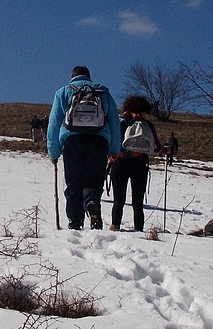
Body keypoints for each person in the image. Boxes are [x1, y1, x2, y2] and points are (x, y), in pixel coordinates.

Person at [47, 66, 121, 229]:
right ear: (89, 77)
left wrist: (53, 152)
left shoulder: (63, 92)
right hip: (99, 141)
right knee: (94, 180)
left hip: (72, 141)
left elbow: (54, 123)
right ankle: (92, 202)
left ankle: (75, 221)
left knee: (74, 182)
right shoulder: (103, 93)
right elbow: (115, 122)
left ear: (72, 77)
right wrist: (114, 150)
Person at [108, 95, 159, 232]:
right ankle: (139, 230)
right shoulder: (147, 125)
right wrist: (167, 149)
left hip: (120, 164)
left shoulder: (119, 123)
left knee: (118, 200)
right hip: (139, 165)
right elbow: (156, 147)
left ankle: (115, 226)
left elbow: (111, 144)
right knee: (138, 203)